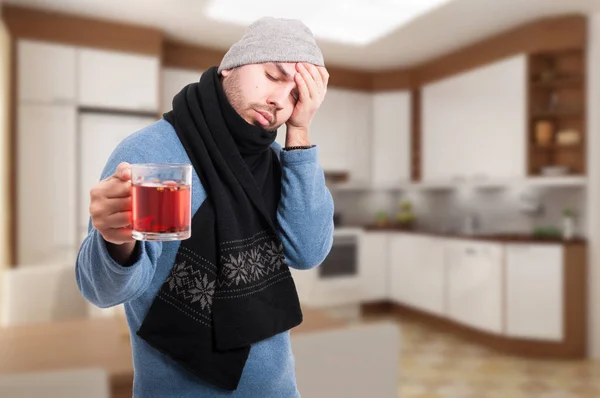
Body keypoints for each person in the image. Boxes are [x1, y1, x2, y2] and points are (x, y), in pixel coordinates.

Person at [75, 16, 334, 397]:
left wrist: (299, 133)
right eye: (275, 76)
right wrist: (116, 242)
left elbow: (307, 252)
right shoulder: (155, 154)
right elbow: (104, 291)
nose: (281, 100)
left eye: (297, 96)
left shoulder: (279, 162)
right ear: (231, 65)